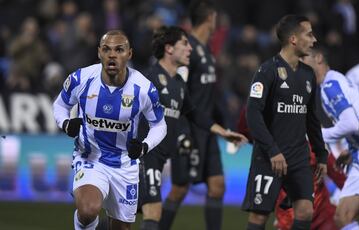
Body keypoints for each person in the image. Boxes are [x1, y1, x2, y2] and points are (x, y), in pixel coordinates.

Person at [52, 30, 167, 230]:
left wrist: (143, 147)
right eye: (106, 49)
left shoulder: (144, 89)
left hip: (125, 164)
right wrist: (65, 123)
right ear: (99, 53)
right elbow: (60, 105)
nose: (112, 55)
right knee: (88, 210)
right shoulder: (81, 79)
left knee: (121, 228)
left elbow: (159, 125)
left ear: (129, 54)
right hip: (90, 158)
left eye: (119, 50)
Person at [138, 26, 247, 230]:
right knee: (153, 212)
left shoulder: (178, 83)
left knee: (121, 221)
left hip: (159, 158)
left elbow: (194, 114)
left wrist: (223, 132)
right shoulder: (148, 79)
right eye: (185, 44)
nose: (190, 49)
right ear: (169, 48)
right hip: (143, 158)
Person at [242, 15, 328, 230]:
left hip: (298, 156)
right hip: (270, 156)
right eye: (309, 34)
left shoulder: (308, 75)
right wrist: (272, 150)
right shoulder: (267, 71)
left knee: (305, 211)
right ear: (293, 39)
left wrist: (321, 154)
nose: (314, 39)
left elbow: (311, 118)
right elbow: (252, 115)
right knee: (259, 216)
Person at [160, 1, 229, 230]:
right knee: (180, 189)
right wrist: (182, 131)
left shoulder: (206, 50)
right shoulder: (187, 50)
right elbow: (178, 91)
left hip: (208, 131)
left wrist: (222, 124)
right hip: (190, 130)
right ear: (210, 18)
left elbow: (210, 95)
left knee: (217, 185)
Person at [237, 106, 346, 230]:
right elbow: (246, 127)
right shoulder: (269, 147)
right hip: (288, 221)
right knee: (258, 215)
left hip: (323, 219)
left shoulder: (313, 144)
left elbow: (339, 175)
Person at [301, 45, 359, 230]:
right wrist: (352, 150)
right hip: (357, 153)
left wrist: (316, 136)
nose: (300, 64)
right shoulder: (333, 82)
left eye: (304, 59)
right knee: (344, 217)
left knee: (343, 217)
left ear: (318, 58)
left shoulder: (330, 85)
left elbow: (351, 123)